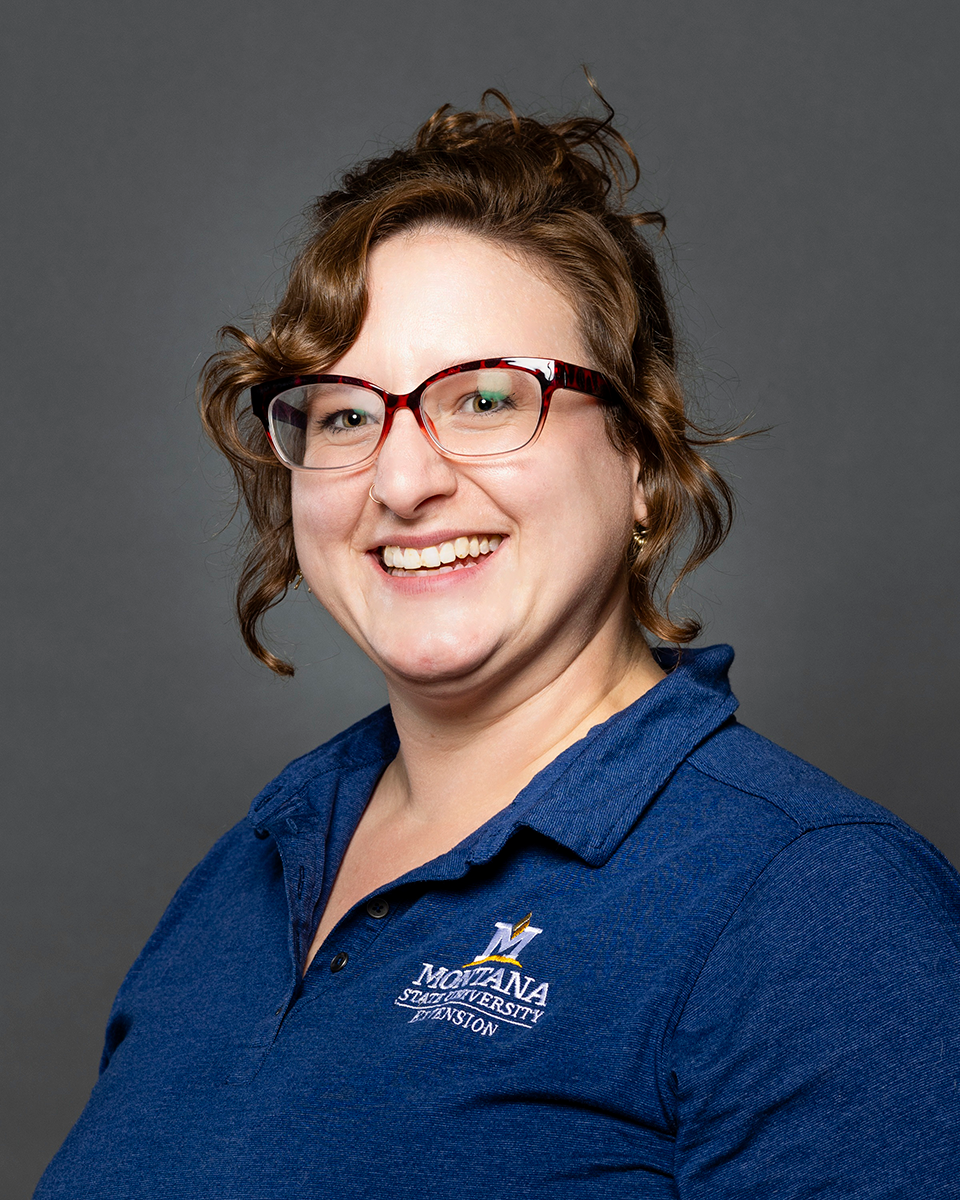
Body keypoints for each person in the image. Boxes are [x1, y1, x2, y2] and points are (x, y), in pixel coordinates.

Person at [35, 91, 960, 1199]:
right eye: (342, 413)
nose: (403, 478)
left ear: (642, 465)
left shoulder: (820, 906)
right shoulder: (255, 864)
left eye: (482, 399)